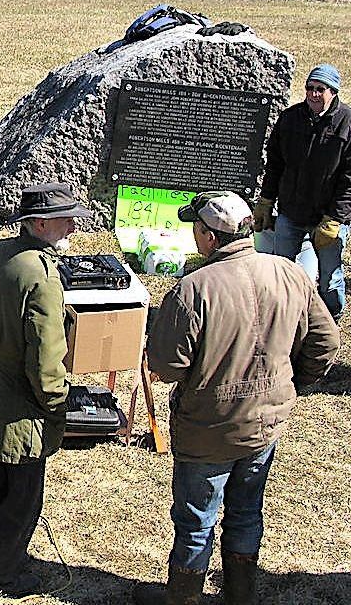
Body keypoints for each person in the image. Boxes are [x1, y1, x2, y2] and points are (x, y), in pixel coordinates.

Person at [136, 191, 339, 605]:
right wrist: (291, 385)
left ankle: (184, 598)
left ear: (211, 237)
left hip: (208, 428)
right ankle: (240, 595)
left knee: (196, 520)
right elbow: (326, 341)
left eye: (195, 227)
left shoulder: (192, 290)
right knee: (247, 510)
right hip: (266, 422)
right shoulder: (290, 272)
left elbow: (168, 366)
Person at [0, 183, 92, 598]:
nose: (73, 224)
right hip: (21, 405)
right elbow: (46, 357)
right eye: (65, 218)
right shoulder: (42, 276)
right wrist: (57, 404)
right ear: (38, 223)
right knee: (21, 498)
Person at [255, 63, 351, 320]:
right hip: (291, 212)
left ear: (333, 91)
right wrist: (266, 201)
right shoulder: (290, 118)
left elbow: (349, 180)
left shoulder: (347, 124)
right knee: (282, 269)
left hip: (328, 217)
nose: (313, 94)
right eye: (310, 88)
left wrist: (334, 219)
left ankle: (331, 319)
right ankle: (281, 317)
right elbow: (275, 163)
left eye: (320, 89)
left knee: (329, 277)